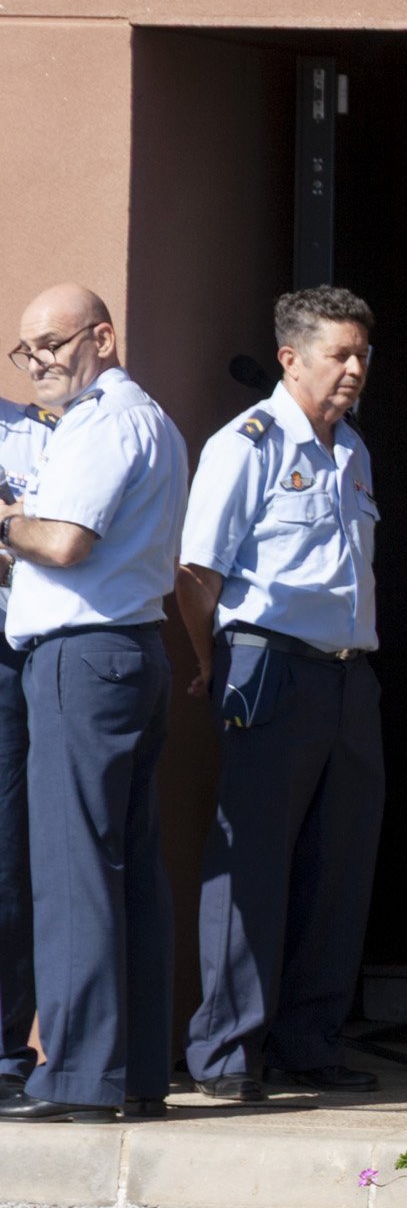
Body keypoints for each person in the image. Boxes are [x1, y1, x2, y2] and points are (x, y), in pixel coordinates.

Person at [176, 287, 387, 1104]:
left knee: (339, 863)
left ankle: (309, 1040)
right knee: (252, 864)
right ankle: (227, 1053)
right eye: (341, 353)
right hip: (268, 664)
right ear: (291, 358)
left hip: (348, 675)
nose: (357, 368)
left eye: (363, 353)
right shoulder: (248, 444)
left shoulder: (354, 451)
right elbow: (198, 573)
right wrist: (211, 660)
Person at [0, 285, 186, 1123]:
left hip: (85, 655)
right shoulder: (136, 416)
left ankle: (76, 1070)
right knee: (125, 869)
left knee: (76, 872)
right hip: (123, 649)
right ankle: (132, 1069)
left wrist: (6, 518)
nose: (38, 361)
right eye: (25, 350)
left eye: (53, 343)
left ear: (103, 338)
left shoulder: (105, 418)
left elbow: (64, 541)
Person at [0, 395, 53, 1101]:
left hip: (10, 657)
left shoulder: (41, 435)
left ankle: (6, 1047)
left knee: (8, 857)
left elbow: (66, 544)